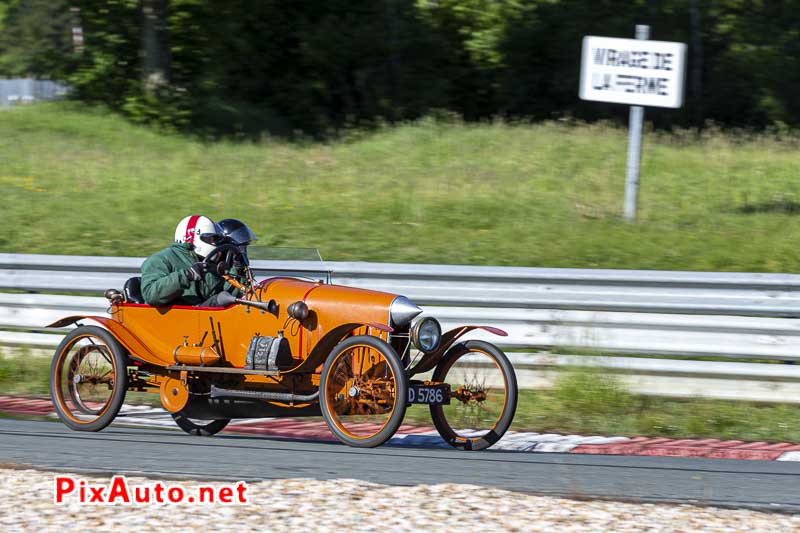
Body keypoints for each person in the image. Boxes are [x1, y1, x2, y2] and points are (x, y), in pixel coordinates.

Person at [141, 215, 236, 307]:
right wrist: (187, 275)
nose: (214, 243)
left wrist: (238, 269)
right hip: (171, 319)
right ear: (193, 237)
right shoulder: (159, 260)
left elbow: (227, 293)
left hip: (202, 317)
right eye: (210, 238)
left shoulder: (207, 263)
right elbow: (151, 295)